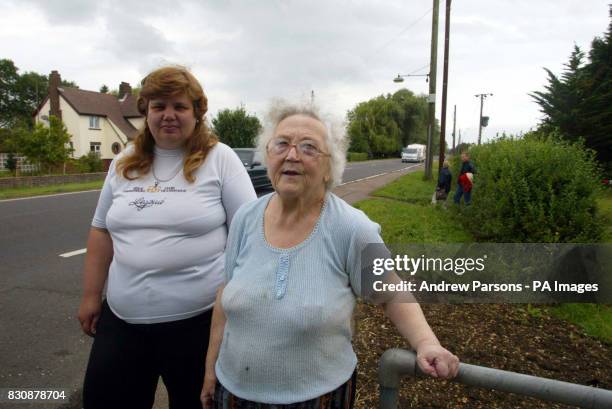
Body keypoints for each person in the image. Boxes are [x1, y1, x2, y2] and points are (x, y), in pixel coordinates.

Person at [200, 103, 459, 409]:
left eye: (309, 147)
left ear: (329, 167)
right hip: (234, 392)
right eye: (282, 144)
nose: (292, 155)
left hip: (317, 398)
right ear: (268, 154)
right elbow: (225, 293)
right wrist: (210, 367)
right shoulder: (245, 217)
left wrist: (426, 343)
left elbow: (391, 292)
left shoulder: (351, 227)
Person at [77, 66, 256, 409]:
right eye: (159, 106)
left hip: (198, 325)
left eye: (180, 106)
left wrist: (241, 308)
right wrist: (90, 296)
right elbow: (101, 230)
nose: (169, 115)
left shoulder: (221, 160)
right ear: (146, 111)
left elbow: (249, 236)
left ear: (197, 112)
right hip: (122, 321)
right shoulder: (123, 163)